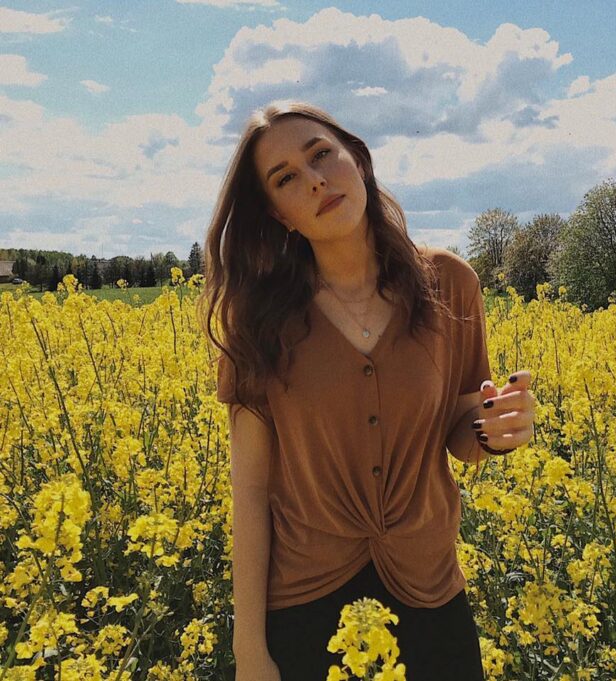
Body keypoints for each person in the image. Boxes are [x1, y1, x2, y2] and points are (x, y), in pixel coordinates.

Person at [198, 100, 536, 681]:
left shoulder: (450, 283)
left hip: (430, 590)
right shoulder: (259, 320)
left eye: (321, 154)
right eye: (286, 179)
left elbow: (462, 431)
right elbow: (250, 492)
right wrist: (248, 649)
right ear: (279, 215)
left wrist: (494, 428)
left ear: (358, 158)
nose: (315, 180)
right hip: (304, 605)